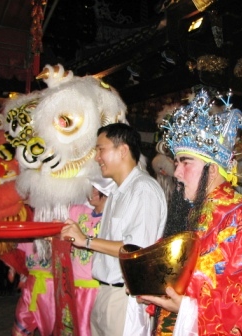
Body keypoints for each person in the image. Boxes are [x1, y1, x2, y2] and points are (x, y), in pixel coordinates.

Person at [139, 89, 242, 335]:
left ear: (214, 171)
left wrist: (187, 308)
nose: (176, 173)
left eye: (186, 163)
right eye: (177, 163)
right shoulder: (188, 214)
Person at [61, 123, 167, 336]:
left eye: (101, 149)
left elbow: (137, 249)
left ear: (123, 150)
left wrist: (87, 241)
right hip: (105, 292)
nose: (96, 157)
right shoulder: (117, 193)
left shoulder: (143, 189)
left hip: (125, 298)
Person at [63, 178, 115, 335]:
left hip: (95, 288)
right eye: (90, 187)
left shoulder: (113, 220)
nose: (91, 192)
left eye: (96, 188)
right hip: (73, 285)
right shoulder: (77, 211)